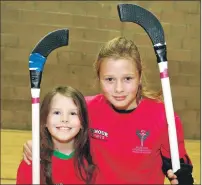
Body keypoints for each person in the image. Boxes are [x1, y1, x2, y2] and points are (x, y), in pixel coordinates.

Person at [22, 37, 194, 184]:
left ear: (140, 77)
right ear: (99, 78)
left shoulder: (164, 117)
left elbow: (178, 165)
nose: (118, 89)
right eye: (109, 79)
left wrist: (181, 176)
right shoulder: (84, 109)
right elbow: (60, 130)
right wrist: (38, 144)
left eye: (127, 79)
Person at [16, 86, 96, 184]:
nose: (64, 119)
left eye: (73, 113)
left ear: (83, 122)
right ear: (45, 120)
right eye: (57, 112)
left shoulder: (93, 159)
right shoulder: (32, 162)